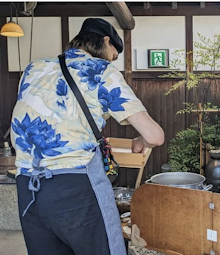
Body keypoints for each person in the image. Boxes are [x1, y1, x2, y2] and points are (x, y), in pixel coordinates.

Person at [10, 18, 164, 255]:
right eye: (113, 55)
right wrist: (139, 142)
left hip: (28, 188)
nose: (111, 60)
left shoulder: (34, 68)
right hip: (76, 186)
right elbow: (154, 136)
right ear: (105, 41)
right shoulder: (100, 70)